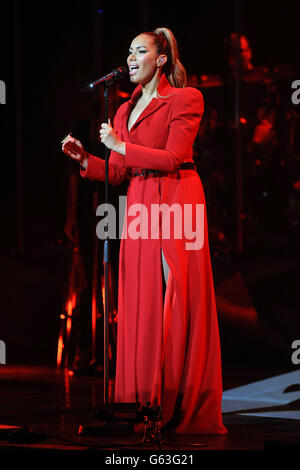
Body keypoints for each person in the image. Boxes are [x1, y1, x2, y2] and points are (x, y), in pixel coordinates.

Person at [62, 27, 227, 435]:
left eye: (140, 52)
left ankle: (176, 401)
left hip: (175, 198)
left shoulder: (185, 99)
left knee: (173, 299)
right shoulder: (123, 109)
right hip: (138, 201)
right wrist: (86, 160)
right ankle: (141, 401)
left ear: (162, 59)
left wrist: (119, 146)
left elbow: (172, 157)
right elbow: (118, 173)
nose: (131, 59)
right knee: (140, 300)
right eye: (129, 52)